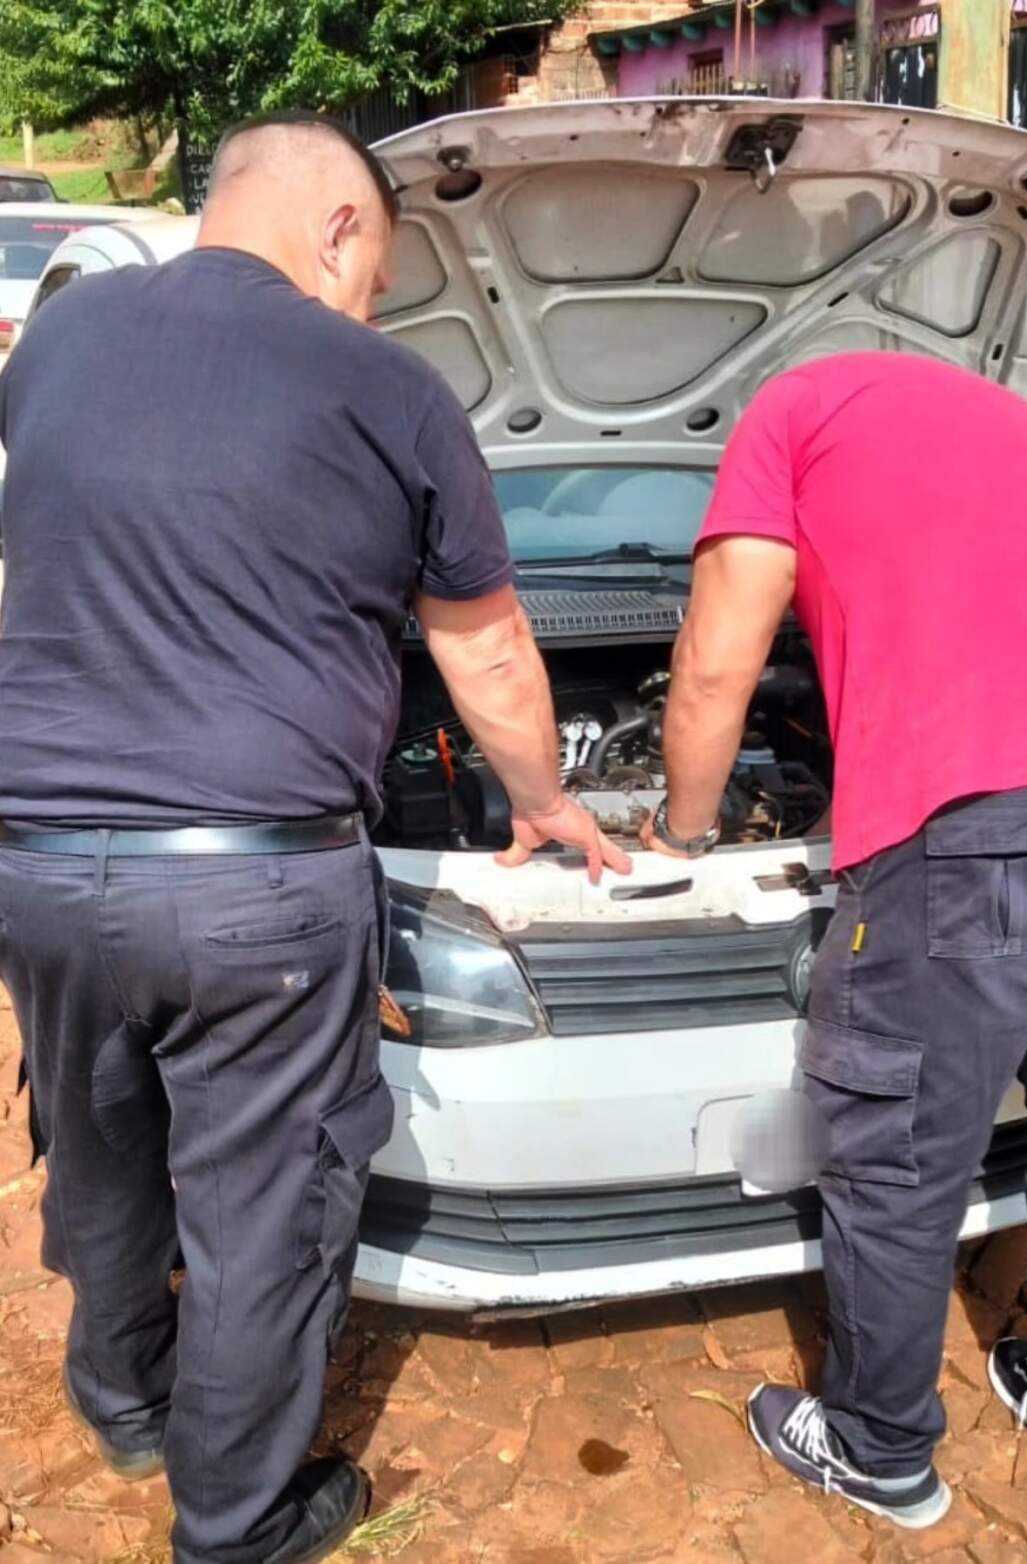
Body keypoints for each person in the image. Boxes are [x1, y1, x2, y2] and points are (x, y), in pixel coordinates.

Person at [0, 111, 626, 1564]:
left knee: (97, 1152)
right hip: (254, 891)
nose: (370, 303)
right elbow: (487, 658)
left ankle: (123, 1402)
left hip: (34, 859)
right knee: (261, 1210)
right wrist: (539, 801)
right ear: (340, 227)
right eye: (379, 273)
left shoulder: (58, 346)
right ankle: (235, 1524)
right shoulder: (387, 390)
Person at [641, 352, 1027, 1531]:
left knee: (900, 1139)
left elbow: (715, 663)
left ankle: (875, 1446)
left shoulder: (787, 412)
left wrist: (678, 832)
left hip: (993, 821)